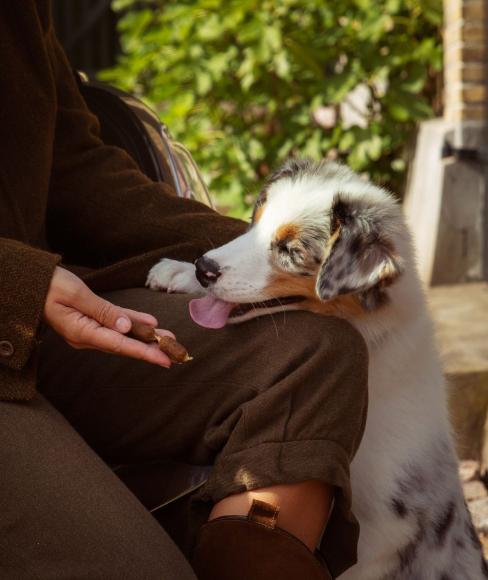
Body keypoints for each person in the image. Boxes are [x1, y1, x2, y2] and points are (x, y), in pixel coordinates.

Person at [0, 2, 369, 579]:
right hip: (13, 322)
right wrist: (16, 281)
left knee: (317, 355)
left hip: (42, 333)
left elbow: (75, 172)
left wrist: (253, 250)